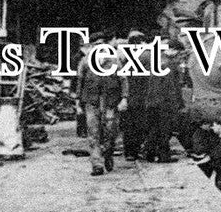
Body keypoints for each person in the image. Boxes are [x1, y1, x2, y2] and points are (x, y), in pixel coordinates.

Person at [76, 33, 123, 176]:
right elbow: (80, 82)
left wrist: (124, 98)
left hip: (110, 102)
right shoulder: (85, 62)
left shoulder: (115, 62)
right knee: (93, 133)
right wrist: (78, 103)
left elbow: (123, 80)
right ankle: (97, 164)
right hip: (91, 102)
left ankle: (108, 152)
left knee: (111, 130)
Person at [143, 38, 184, 162]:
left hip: (152, 100)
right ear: (171, 50)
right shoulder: (169, 64)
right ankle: (163, 156)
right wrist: (177, 103)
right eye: (177, 52)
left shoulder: (157, 59)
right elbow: (172, 87)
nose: (178, 55)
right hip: (164, 102)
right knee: (165, 129)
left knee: (154, 128)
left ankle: (149, 153)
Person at [120, 30, 149, 161]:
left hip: (128, 95)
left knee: (128, 126)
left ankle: (129, 152)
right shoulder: (147, 56)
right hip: (142, 95)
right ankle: (138, 149)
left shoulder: (124, 57)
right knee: (140, 124)